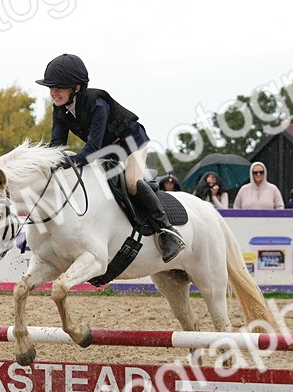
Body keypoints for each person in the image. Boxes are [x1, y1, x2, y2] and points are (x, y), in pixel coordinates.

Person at [38, 53, 184, 262]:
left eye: (59, 87)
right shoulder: (60, 109)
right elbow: (56, 146)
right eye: (51, 87)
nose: (54, 92)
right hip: (107, 149)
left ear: (77, 88)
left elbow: (91, 150)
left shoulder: (97, 103)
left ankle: (167, 232)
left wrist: (68, 162)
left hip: (132, 143)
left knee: (132, 183)